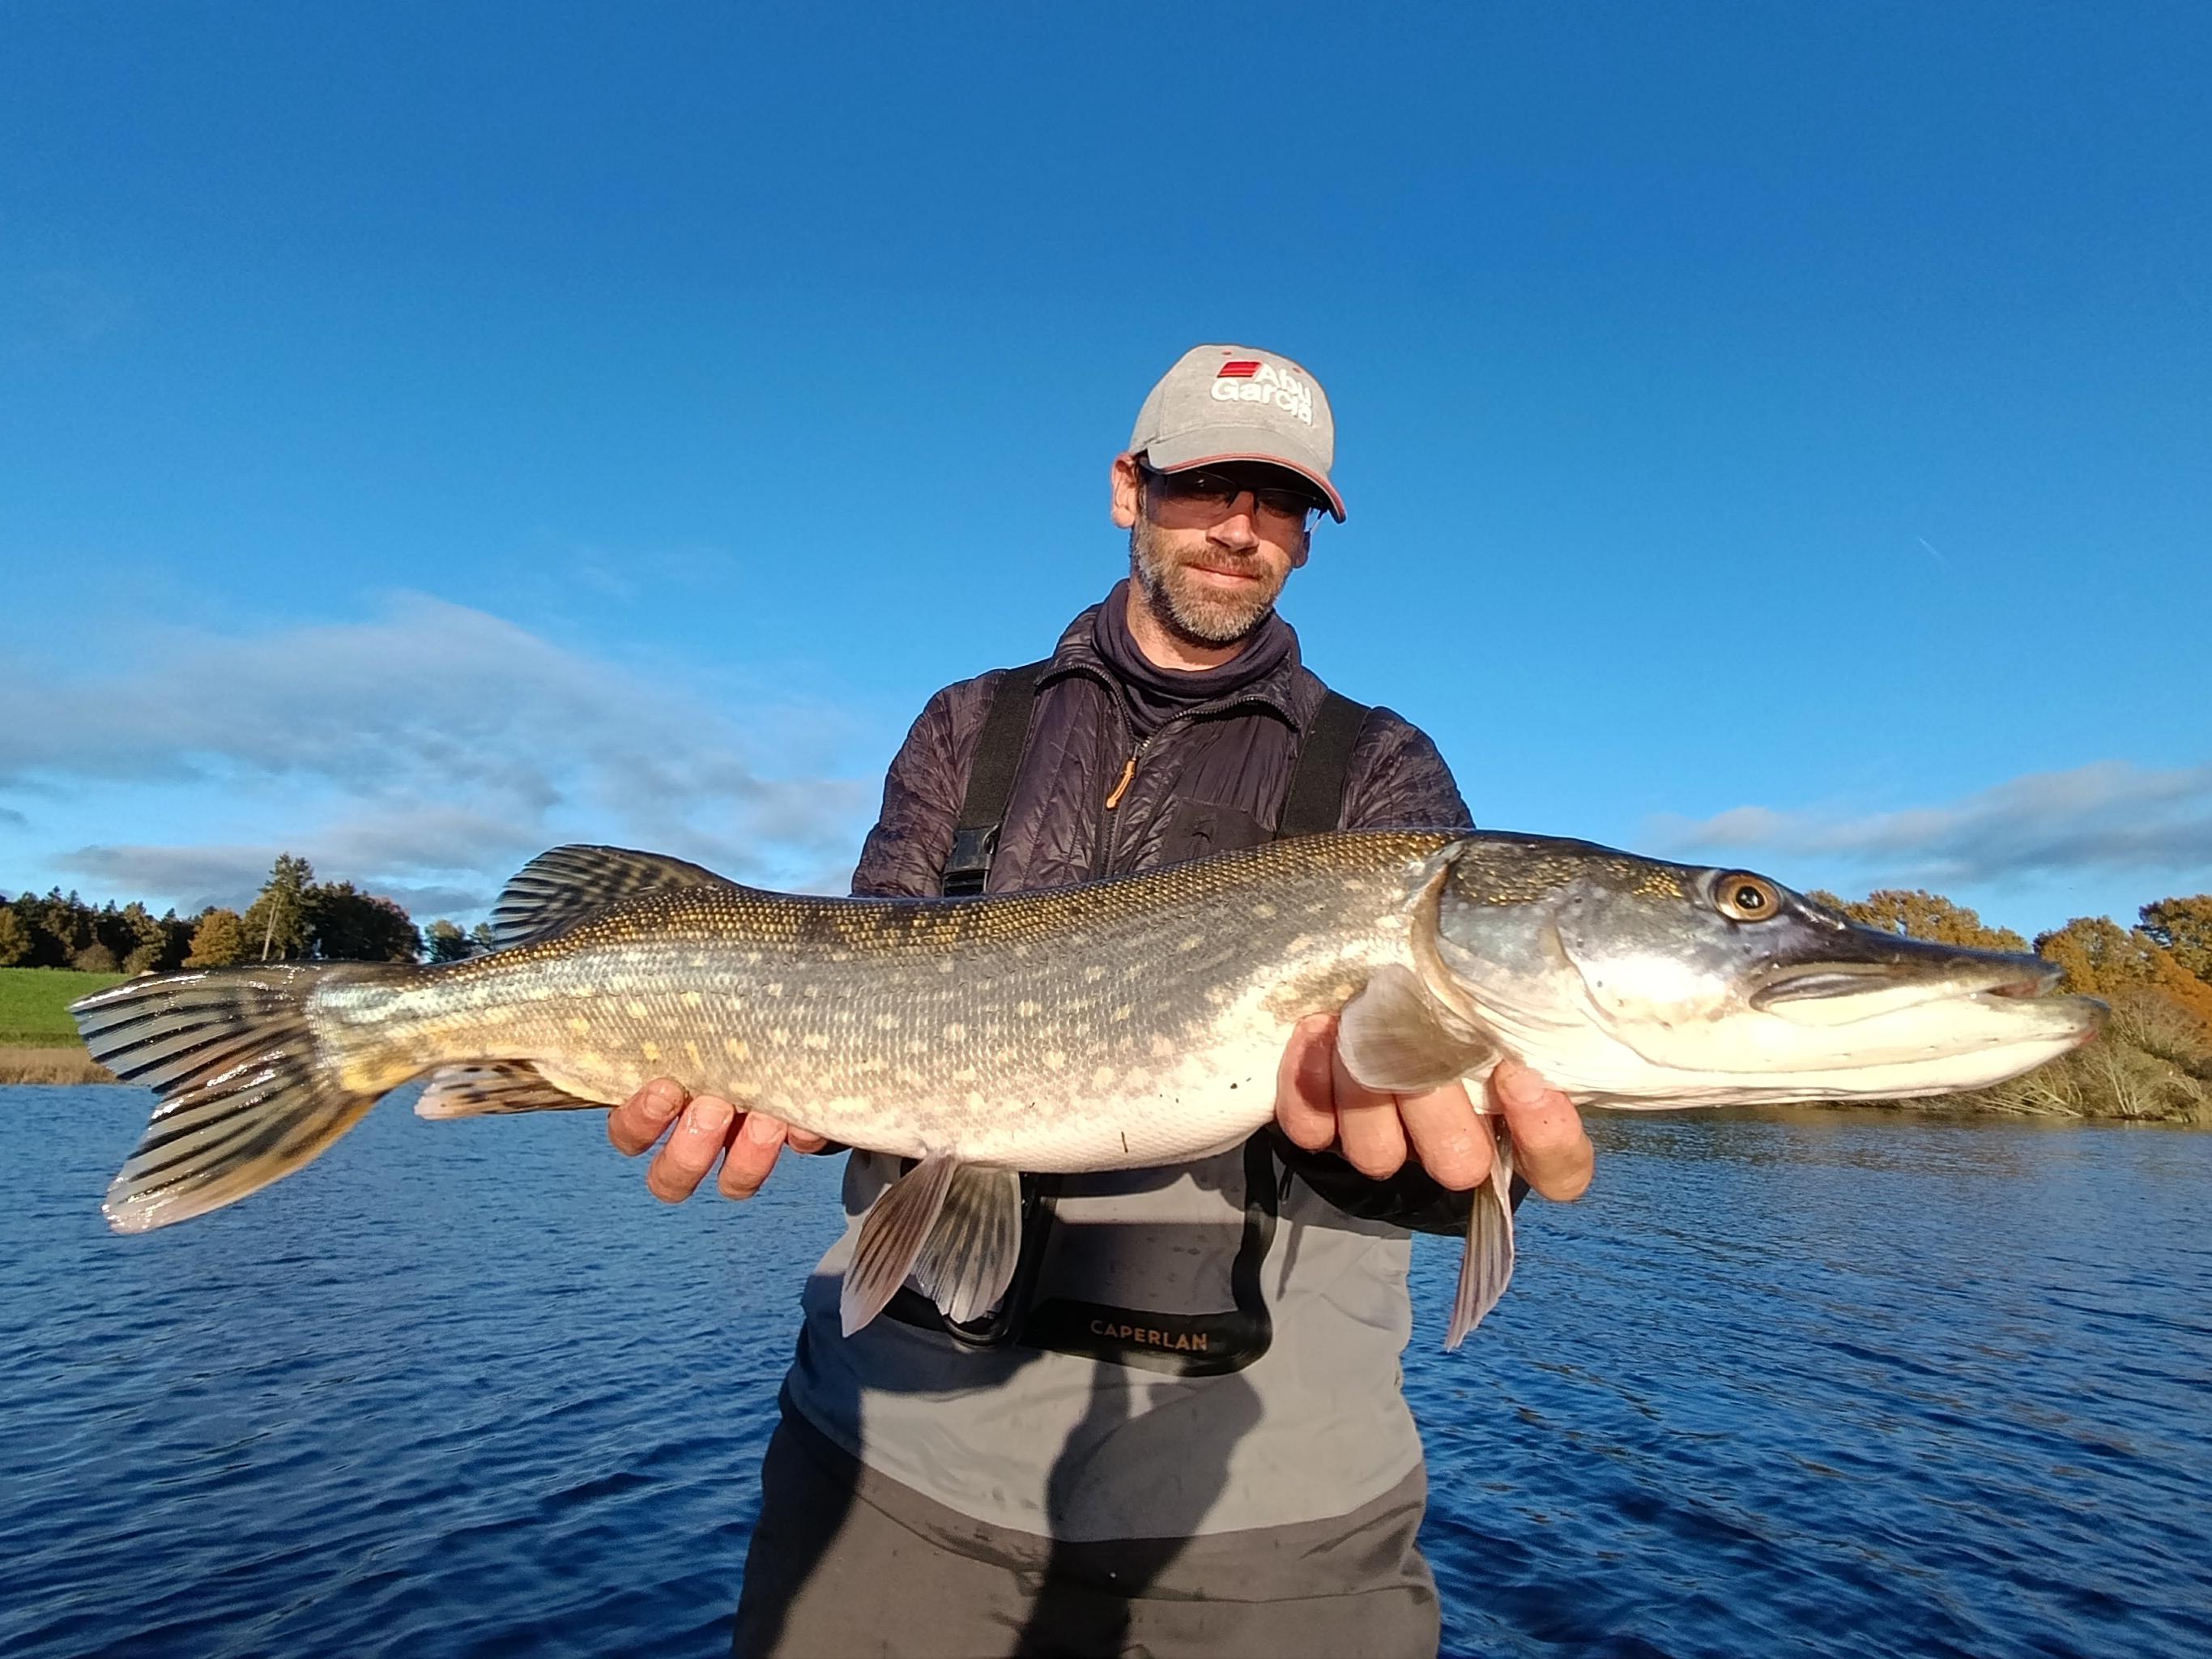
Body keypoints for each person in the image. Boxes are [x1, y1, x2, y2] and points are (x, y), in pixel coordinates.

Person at [608, 344, 1595, 1658]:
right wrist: (768, 1092)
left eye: (1282, 501)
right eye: (1206, 486)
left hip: (1265, 1516)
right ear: (1129, 489)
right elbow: (869, 1024)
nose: (1242, 529)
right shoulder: (969, 728)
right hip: (896, 1462)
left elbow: (1419, 1134)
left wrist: (1471, 1172)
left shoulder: (1382, 770)